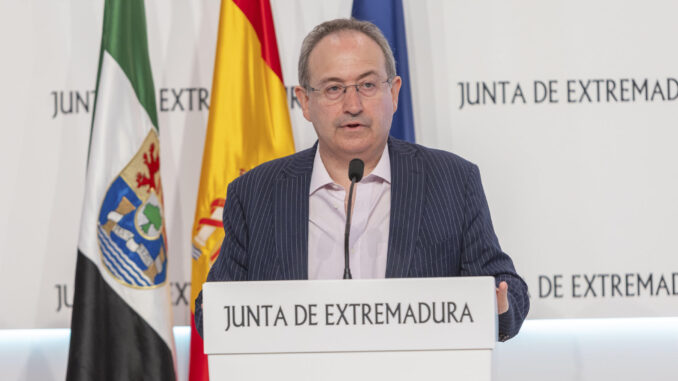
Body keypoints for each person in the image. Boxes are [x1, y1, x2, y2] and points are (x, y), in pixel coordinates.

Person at [195, 18, 529, 341]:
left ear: (394, 93)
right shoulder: (255, 194)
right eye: (333, 88)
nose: (352, 105)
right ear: (305, 101)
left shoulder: (453, 181)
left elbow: (506, 291)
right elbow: (211, 315)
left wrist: (497, 307)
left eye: (367, 85)